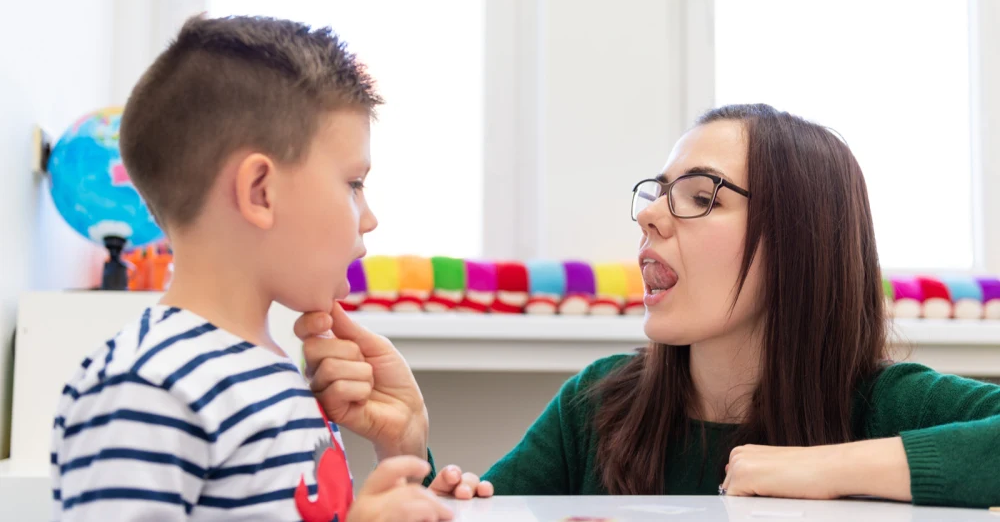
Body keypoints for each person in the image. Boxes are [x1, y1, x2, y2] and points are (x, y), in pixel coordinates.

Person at [296, 103, 1000, 508]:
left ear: (799, 242)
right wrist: (406, 443)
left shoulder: (882, 405)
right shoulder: (597, 404)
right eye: (656, 193)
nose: (651, 218)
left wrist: (819, 470)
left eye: (700, 196)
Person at [51, 15, 487, 522]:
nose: (369, 217)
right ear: (260, 191)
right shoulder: (145, 389)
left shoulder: (275, 376)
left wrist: (404, 456)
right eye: (353, 183)